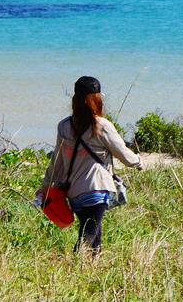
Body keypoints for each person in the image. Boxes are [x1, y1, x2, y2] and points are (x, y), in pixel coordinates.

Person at [36, 76, 143, 254]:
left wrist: (46, 186)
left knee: (94, 233)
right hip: (96, 189)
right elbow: (124, 154)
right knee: (89, 232)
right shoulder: (101, 125)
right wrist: (139, 161)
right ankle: (77, 261)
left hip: (74, 193)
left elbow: (57, 162)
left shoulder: (64, 126)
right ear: (97, 99)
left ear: (75, 99)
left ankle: (92, 269)